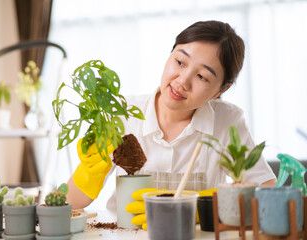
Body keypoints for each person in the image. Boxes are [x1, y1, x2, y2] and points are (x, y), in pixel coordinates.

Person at [66, 20, 277, 211]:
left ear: (220, 90)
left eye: (202, 76)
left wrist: (212, 203)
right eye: (180, 62)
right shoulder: (123, 113)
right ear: (170, 55)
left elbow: (268, 192)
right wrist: (88, 172)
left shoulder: (227, 122)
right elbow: (70, 205)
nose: (182, 81)